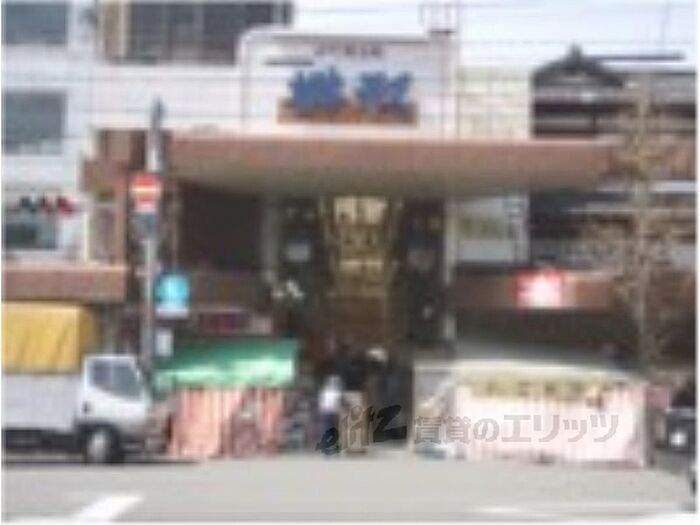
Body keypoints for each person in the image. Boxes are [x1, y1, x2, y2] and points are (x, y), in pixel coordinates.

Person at [317, 374, 343, 454]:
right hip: (332, 413)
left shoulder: (325, 391)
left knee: (327, 430)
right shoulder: (336, 392)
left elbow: (321, 403)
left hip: (325, 413)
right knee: (333, 431)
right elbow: (338, 403)